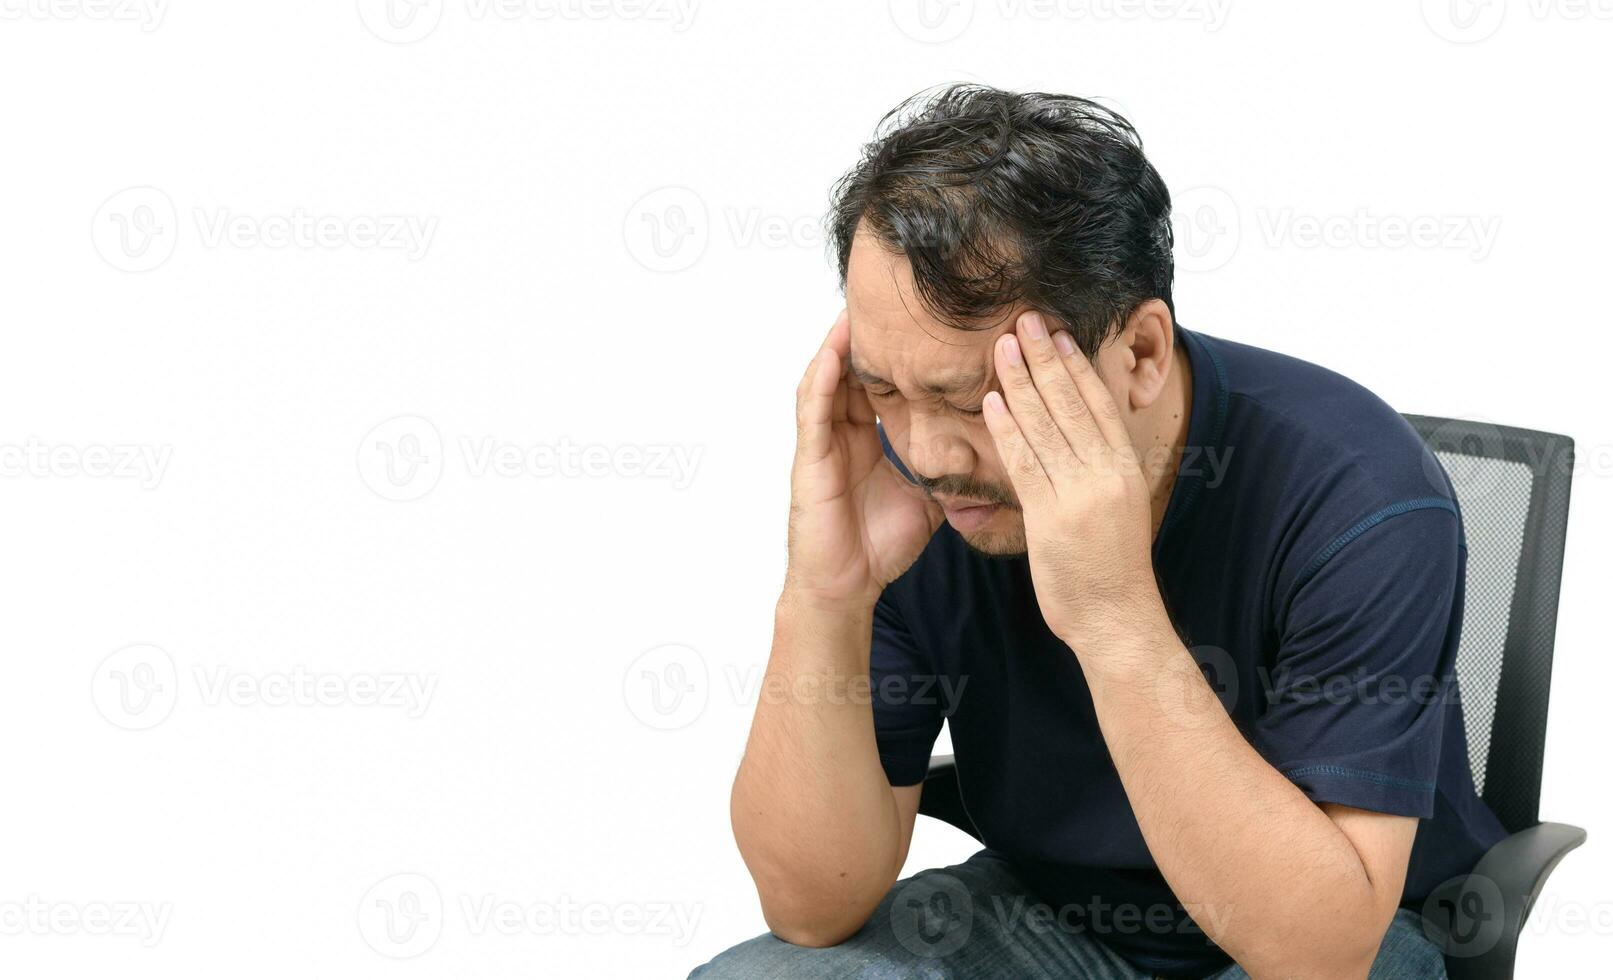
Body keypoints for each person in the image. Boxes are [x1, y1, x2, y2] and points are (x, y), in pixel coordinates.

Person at [693, 84, 1501, 978]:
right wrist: (825, 596)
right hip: (1048, 908)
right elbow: (811, 908)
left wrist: (1111, 611)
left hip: (1336, 921)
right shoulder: (919, 494)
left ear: (1140, 355)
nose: (924, 451)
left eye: (970, 401)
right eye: (884, 389)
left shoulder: (1358, 493)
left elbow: (1321, 954)